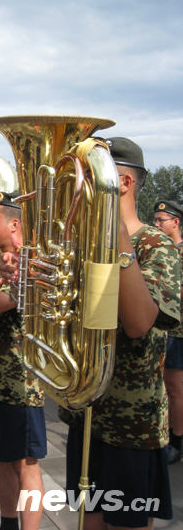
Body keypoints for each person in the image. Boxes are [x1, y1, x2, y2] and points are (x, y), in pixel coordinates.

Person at [57, 138, 181, 530]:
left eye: (88, 179)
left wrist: (115, 237)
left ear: (120, 183)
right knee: (88, 518)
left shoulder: (155, 244)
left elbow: (140, 323)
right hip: (87, 409)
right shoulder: (81, 244)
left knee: (125, 525)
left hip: (131, 423)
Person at [0, 192, 47, 530]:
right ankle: (7, 524)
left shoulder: (33, 260)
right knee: (3, 458)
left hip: (22, 383)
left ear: (14, 224)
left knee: (26, 465)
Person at [154, 198, 183, 465]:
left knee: (174, 388)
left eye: (161, 220)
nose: (157, 224)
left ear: (176, 222)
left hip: (177, 331)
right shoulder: (163, 250)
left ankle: (177, 440)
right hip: (166, 329)